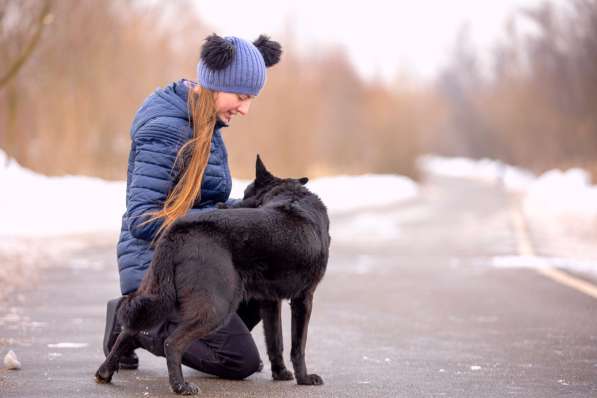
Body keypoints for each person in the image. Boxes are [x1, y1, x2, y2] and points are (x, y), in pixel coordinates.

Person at [102, 33, 282, 380]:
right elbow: (143, 220)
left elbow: (205, 204)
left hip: (196, 265)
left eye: (251, 99)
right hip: (158, 271)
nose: (245, 109)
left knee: (265, 286)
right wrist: (221, 222)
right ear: (215, 84)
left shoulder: (207, 126)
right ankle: (133, 321)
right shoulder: (165, 131)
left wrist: (255, 210)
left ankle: (142, 318)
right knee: (238, 361)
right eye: (242, 97)